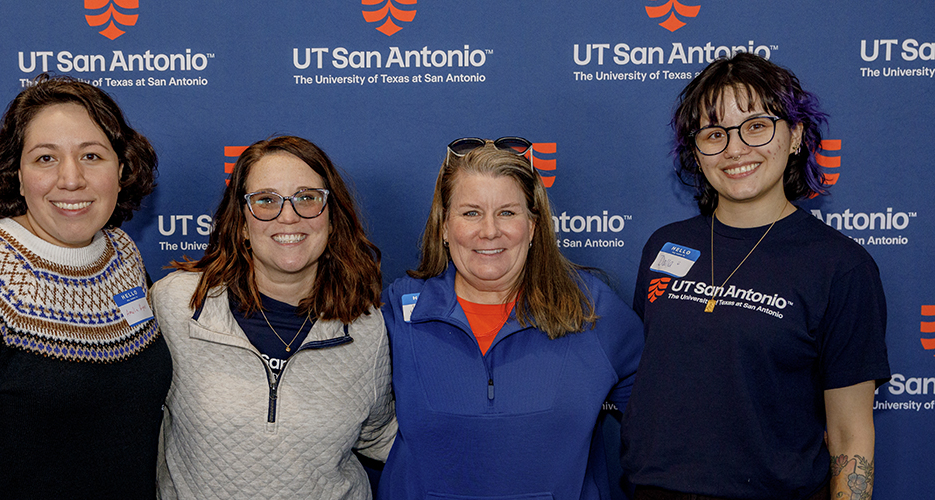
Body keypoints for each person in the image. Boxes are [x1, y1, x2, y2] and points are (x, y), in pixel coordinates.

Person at [621, 53, 889, 500]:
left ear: (796, 135)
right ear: (696, 152)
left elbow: (849, 435)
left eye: (757, 126)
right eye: (714, 133)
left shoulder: (841, 267)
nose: (735, 149)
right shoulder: (663, 245)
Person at [0, 74, 171, 498]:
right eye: (46, 158)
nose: (71, 178)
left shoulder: (122, 254)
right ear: (18, 174)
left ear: (121, 170)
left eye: (92, 156)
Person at [379, 139, 644, 499]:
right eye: (470, 213)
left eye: (507, 213)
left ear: (533, 226)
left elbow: (661, 430)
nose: (489, 231)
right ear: (443, 227)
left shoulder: (590, 309)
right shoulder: (399, 311)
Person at [150, 136, 395, 499]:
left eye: (307, 198)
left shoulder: (365, 327)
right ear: (241, 223)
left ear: (332, 217)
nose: (289, 216)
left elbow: (379, 434)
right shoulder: (176, 303)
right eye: (266, 200)